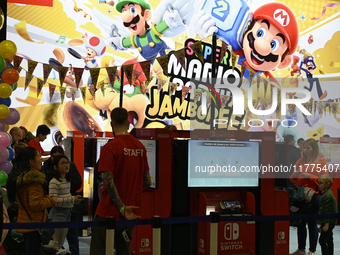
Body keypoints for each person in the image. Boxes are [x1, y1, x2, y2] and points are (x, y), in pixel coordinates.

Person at [90, 107, 151, 255]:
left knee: (99, 251)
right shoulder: (140, 147)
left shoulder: (110, 148)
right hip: (132, 212)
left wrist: (121, 207)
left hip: (108, 212)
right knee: (124, 250)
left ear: (112, 123)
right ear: (128, 123)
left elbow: (109, 182)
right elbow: (147, 182)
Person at [6, 147, 60, 255]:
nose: (40, 160)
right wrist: (51, 200)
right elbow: (35, 204)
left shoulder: (22, 179)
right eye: (38, 157)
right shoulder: (33, 181)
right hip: (34, 225)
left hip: (27, 223)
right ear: (31, 162)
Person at [109, 0, 184, 61]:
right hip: (151, 66)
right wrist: (117, 42)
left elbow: (163, 25)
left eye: (132, 10)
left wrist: (170, 20)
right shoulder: (135, 39)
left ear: (146, 15)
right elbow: (125, 42)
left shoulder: (152, 33)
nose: (126, 18)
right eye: (124, 11)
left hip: (166, 57)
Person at [290, 138, 328, 255]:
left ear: (314, 148)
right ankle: (301, 249)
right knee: (300, 223)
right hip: (300, 196)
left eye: (308, 148)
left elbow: (325, 181)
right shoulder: (300, 161)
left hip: (314, 196)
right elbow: (292, 179)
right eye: (304, 147)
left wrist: (310, 176)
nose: (305, 150)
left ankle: (312, 250)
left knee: (312, 224)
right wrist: (295, 175)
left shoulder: (321, 162)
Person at [41, 146, 82, 255]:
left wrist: (73, 200)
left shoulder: (67, 180)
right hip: (58, 213)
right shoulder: (54, 181)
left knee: (63, 241)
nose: (66, 165)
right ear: (55, 167)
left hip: (68, 212)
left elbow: (75, 186)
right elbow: (53, 199)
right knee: (56, 244)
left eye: (67, 163)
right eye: (62, 163)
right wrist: (71, 199)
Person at [318, 174, 338, 255]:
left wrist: (326, 224)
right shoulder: (327, 193)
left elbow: (328, 211)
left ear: (328, 184)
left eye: (321, 183)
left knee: (322, 241)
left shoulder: (327, 196)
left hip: (328, 222)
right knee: (329, 239)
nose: (318, 185)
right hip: (329, 221)